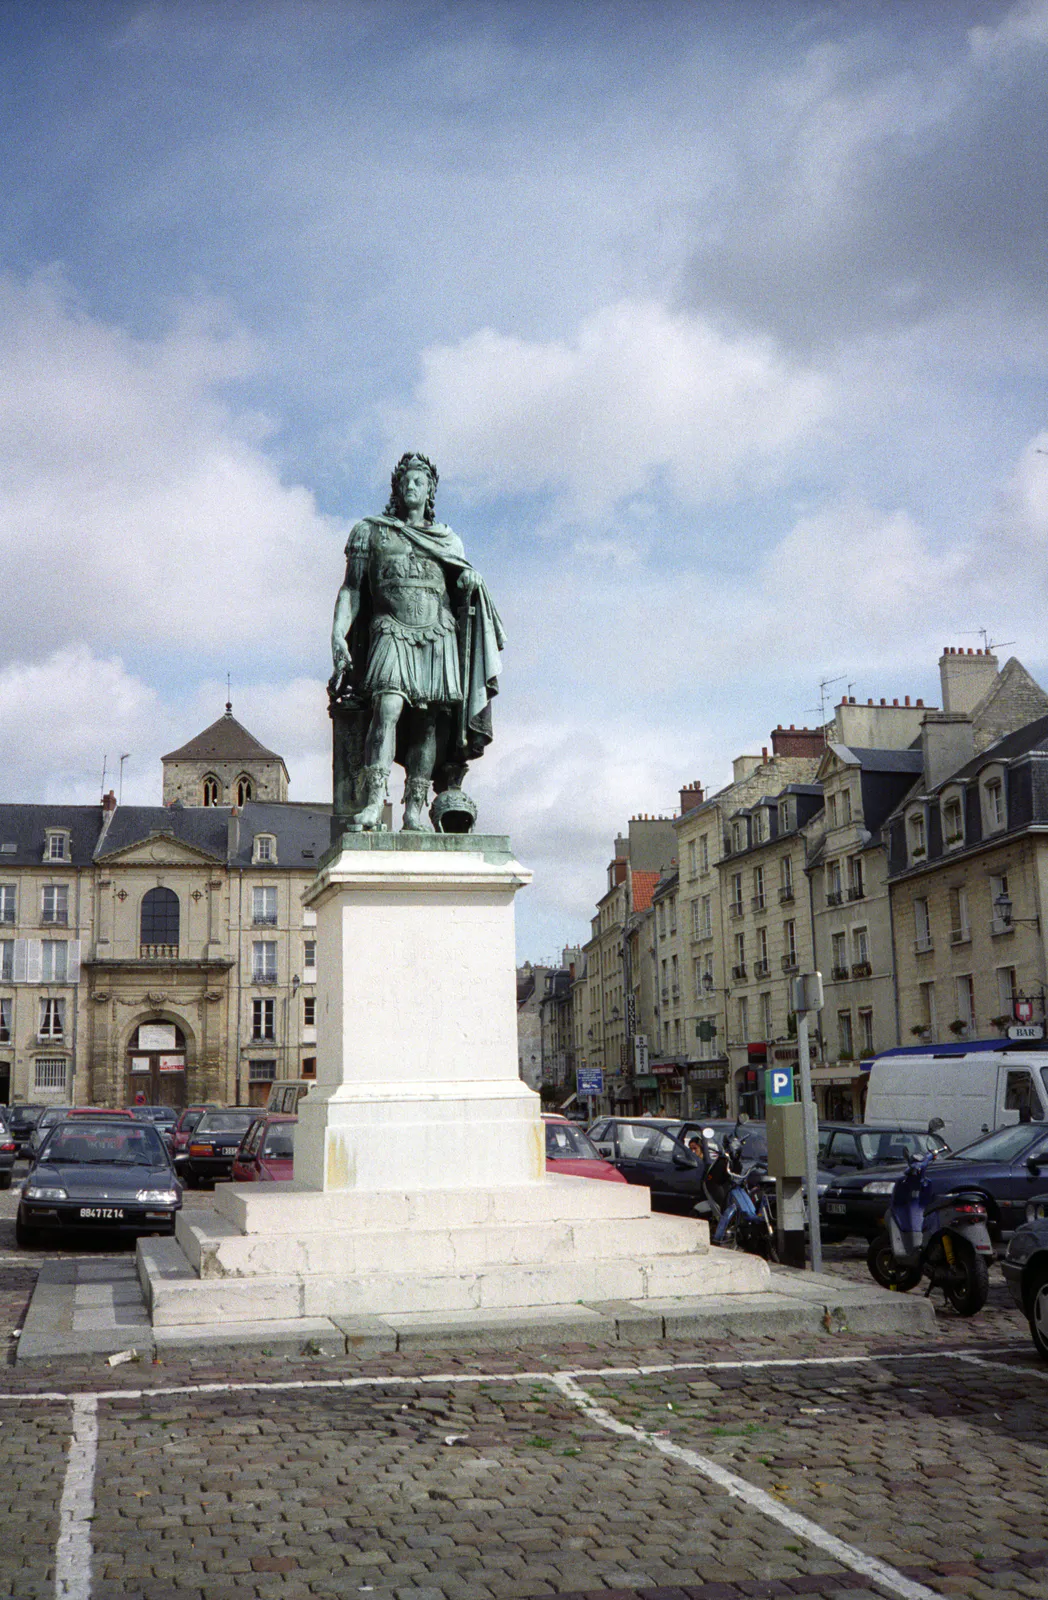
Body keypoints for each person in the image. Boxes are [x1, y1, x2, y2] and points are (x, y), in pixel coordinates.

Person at [329, 452, 505, 831]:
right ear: (397, 487)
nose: (412, 486)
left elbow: (460, 586)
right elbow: (352, 590)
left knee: (428, 723)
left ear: (430, 490)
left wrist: (470, 584)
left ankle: (413, 810)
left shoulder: (448, 539)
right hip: (390, 628)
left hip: (437, 632)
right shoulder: (370, 531)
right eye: (406, 481)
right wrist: (337, 634)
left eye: (419, 481)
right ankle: (375, 802)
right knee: (387, 708)